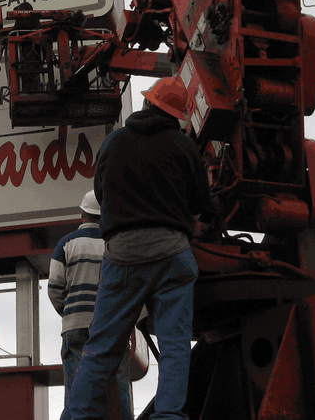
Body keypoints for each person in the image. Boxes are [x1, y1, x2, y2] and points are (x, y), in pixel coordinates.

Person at [67, 76, 213, 420]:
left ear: (147, 103)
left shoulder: (114, 143)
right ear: (176, 116)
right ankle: (168, 417)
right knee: (175, 347)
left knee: (102, 347)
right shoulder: (184, 147)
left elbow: (102, 195)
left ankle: (78, 416)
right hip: (172, 254)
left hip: (123, 256)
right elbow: (201, 203)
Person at [48, 190, 133, 420]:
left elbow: (55, 288)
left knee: (77, 387)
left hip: (75, 326)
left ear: (82, 214)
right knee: (118, 385)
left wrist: (69, 314)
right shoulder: (115, 244)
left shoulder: (65, 244)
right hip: (112, 326)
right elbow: (130, 287)